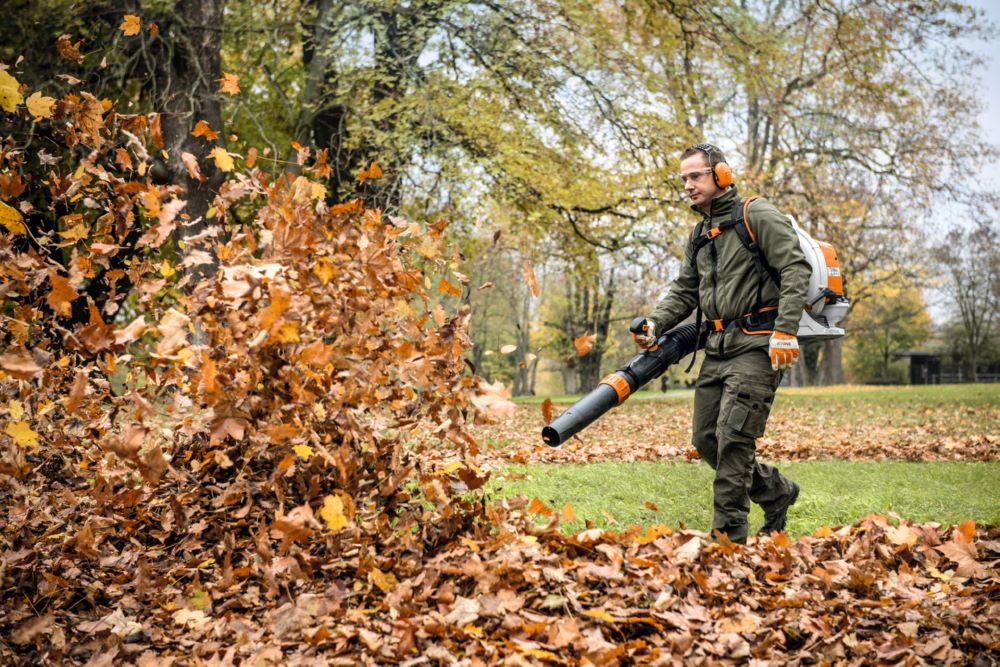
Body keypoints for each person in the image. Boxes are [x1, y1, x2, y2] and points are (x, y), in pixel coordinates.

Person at [632, 143, 809, 544]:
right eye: (683, 179)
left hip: (757, 346)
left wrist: (785, 330)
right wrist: (655, 323)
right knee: (706, 440)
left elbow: (794, 268)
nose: (688, 185)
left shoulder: (756, 215)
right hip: (717, 348)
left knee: (733, 440)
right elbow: (685, 290)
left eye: (695, 176)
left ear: (722, 175)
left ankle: (727, 542)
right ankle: (776, 492)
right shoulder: (699, 234)